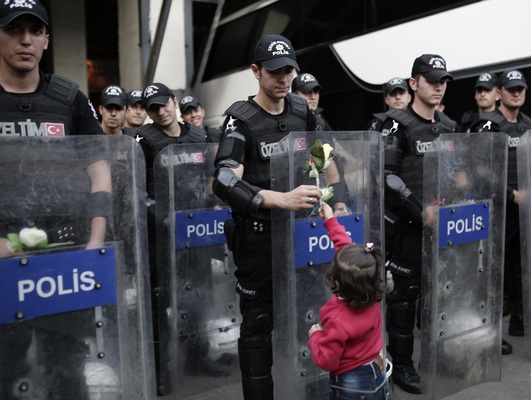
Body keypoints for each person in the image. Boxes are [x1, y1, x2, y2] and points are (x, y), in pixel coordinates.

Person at [212, 34, 349, 400]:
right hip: (258, 238)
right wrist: (282, 199)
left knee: (313, 315)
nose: (284, 78)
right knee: (258, 325)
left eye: (289, 70)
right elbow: (224, 180)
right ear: (256, 72)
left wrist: (341, 202)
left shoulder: (303, 111)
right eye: (274, 71)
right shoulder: (239, 119)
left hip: (303, 236)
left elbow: (326, 157)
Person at [0, 1, 110, 398]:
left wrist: (95, 241)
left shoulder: (69, 99)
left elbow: (100, 167)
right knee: (9, 374)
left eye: (34, 30)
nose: (25, 39)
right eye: (14, 29)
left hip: (65, 254)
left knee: (67, 372)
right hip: (2, 256)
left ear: (47, 39)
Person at [374, 54, 456, 394]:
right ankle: (402, 364)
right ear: (414, 83)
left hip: (445, 224)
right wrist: (421, 210)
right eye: (431, 80)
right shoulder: (396, 124)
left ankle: (437, 354)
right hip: (407, 226)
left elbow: (454, 170)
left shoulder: (448, 125)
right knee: (404, 299)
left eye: (443, 81)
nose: (438, 86)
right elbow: (386, 176)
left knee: (440, 294)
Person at [136, 82, 207, 395]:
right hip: (159, 235)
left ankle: (197, 359)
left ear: (175, 102)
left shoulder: (199, 136)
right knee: (160, 305)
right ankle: (160, 372)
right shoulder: (144, 140)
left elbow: (208, 179)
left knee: (199, 298)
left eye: (164, 104)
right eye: (153, 108)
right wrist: (162, 216)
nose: (161, 111)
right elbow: (136, 189)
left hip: (197, 233)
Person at [476, 69, 531, 355]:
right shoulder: (488, 124)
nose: (516, 93)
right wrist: (511, 194)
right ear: (499, 93)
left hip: (524, 208)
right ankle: (490, 332)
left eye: (520, 89)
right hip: (497, 209)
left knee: (521, 265)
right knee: (493, 272)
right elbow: (479, 169)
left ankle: (520, 320)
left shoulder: (527, 123)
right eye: (511, 89)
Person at [308, 202, 389, 400]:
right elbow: (346, 248)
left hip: (351, 384)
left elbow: (328, 360)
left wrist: (315, 336)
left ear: (338, 281)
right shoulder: (373, 293)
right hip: (377, 372)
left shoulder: (338, 319)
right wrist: (330, 221)